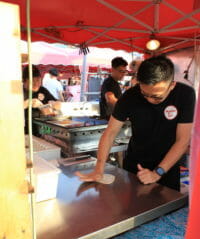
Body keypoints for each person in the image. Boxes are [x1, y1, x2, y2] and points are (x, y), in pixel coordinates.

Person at [76, 55, 196, 191]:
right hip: (136, 164)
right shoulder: (130, 96)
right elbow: (110, 133)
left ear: (172, 85)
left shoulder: (185, 95)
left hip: (167, 166)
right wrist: (99, 169)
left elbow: (183, 140)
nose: (150, 100)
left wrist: (157, 173)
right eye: (145, 94)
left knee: (166, 205)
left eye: (156, 97)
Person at [23, 65, 58, 133]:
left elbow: (55, 104)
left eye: (38, 80)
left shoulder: (43, 90)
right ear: (24, 81)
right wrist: (26, 103)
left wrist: (52, 105)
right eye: (32, 81)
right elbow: (10, 111)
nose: (36, 83)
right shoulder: (19, 92)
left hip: (43, 130)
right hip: (23, 131)